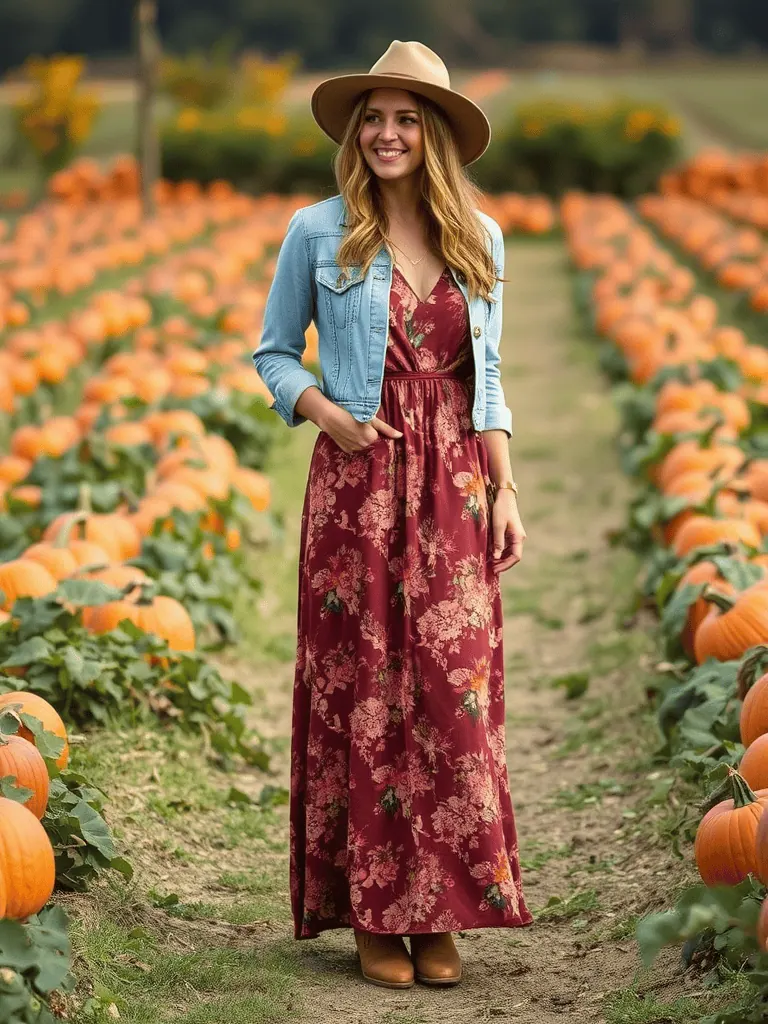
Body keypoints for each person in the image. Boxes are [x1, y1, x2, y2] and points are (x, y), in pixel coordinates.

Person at [253, 39, 533, 991]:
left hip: (454, 482)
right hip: (357, 489)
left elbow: (485, 380)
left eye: (406, 118)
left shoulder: (480, 240)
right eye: (373, 117)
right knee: (364, 691)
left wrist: (506, 490)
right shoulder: (318, 231)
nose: (386, 133)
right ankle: (374, 911)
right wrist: (326, 413)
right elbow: (272, 355)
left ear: (437, 134)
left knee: (453, 693)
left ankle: (440, 906)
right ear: (354, 134)